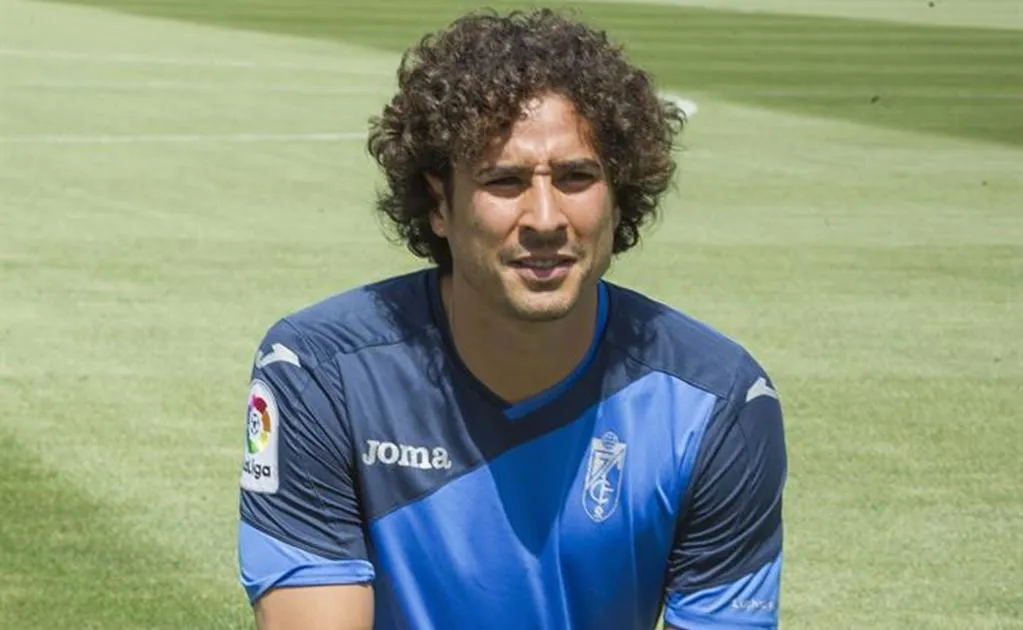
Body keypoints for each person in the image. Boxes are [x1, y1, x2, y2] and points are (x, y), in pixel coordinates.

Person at [237, 8, 787, 630]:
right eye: (505, 181)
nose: (547, 218)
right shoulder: (320, 372)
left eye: (578, 177)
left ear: (618, 195)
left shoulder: (718, 400)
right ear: (439, 204)